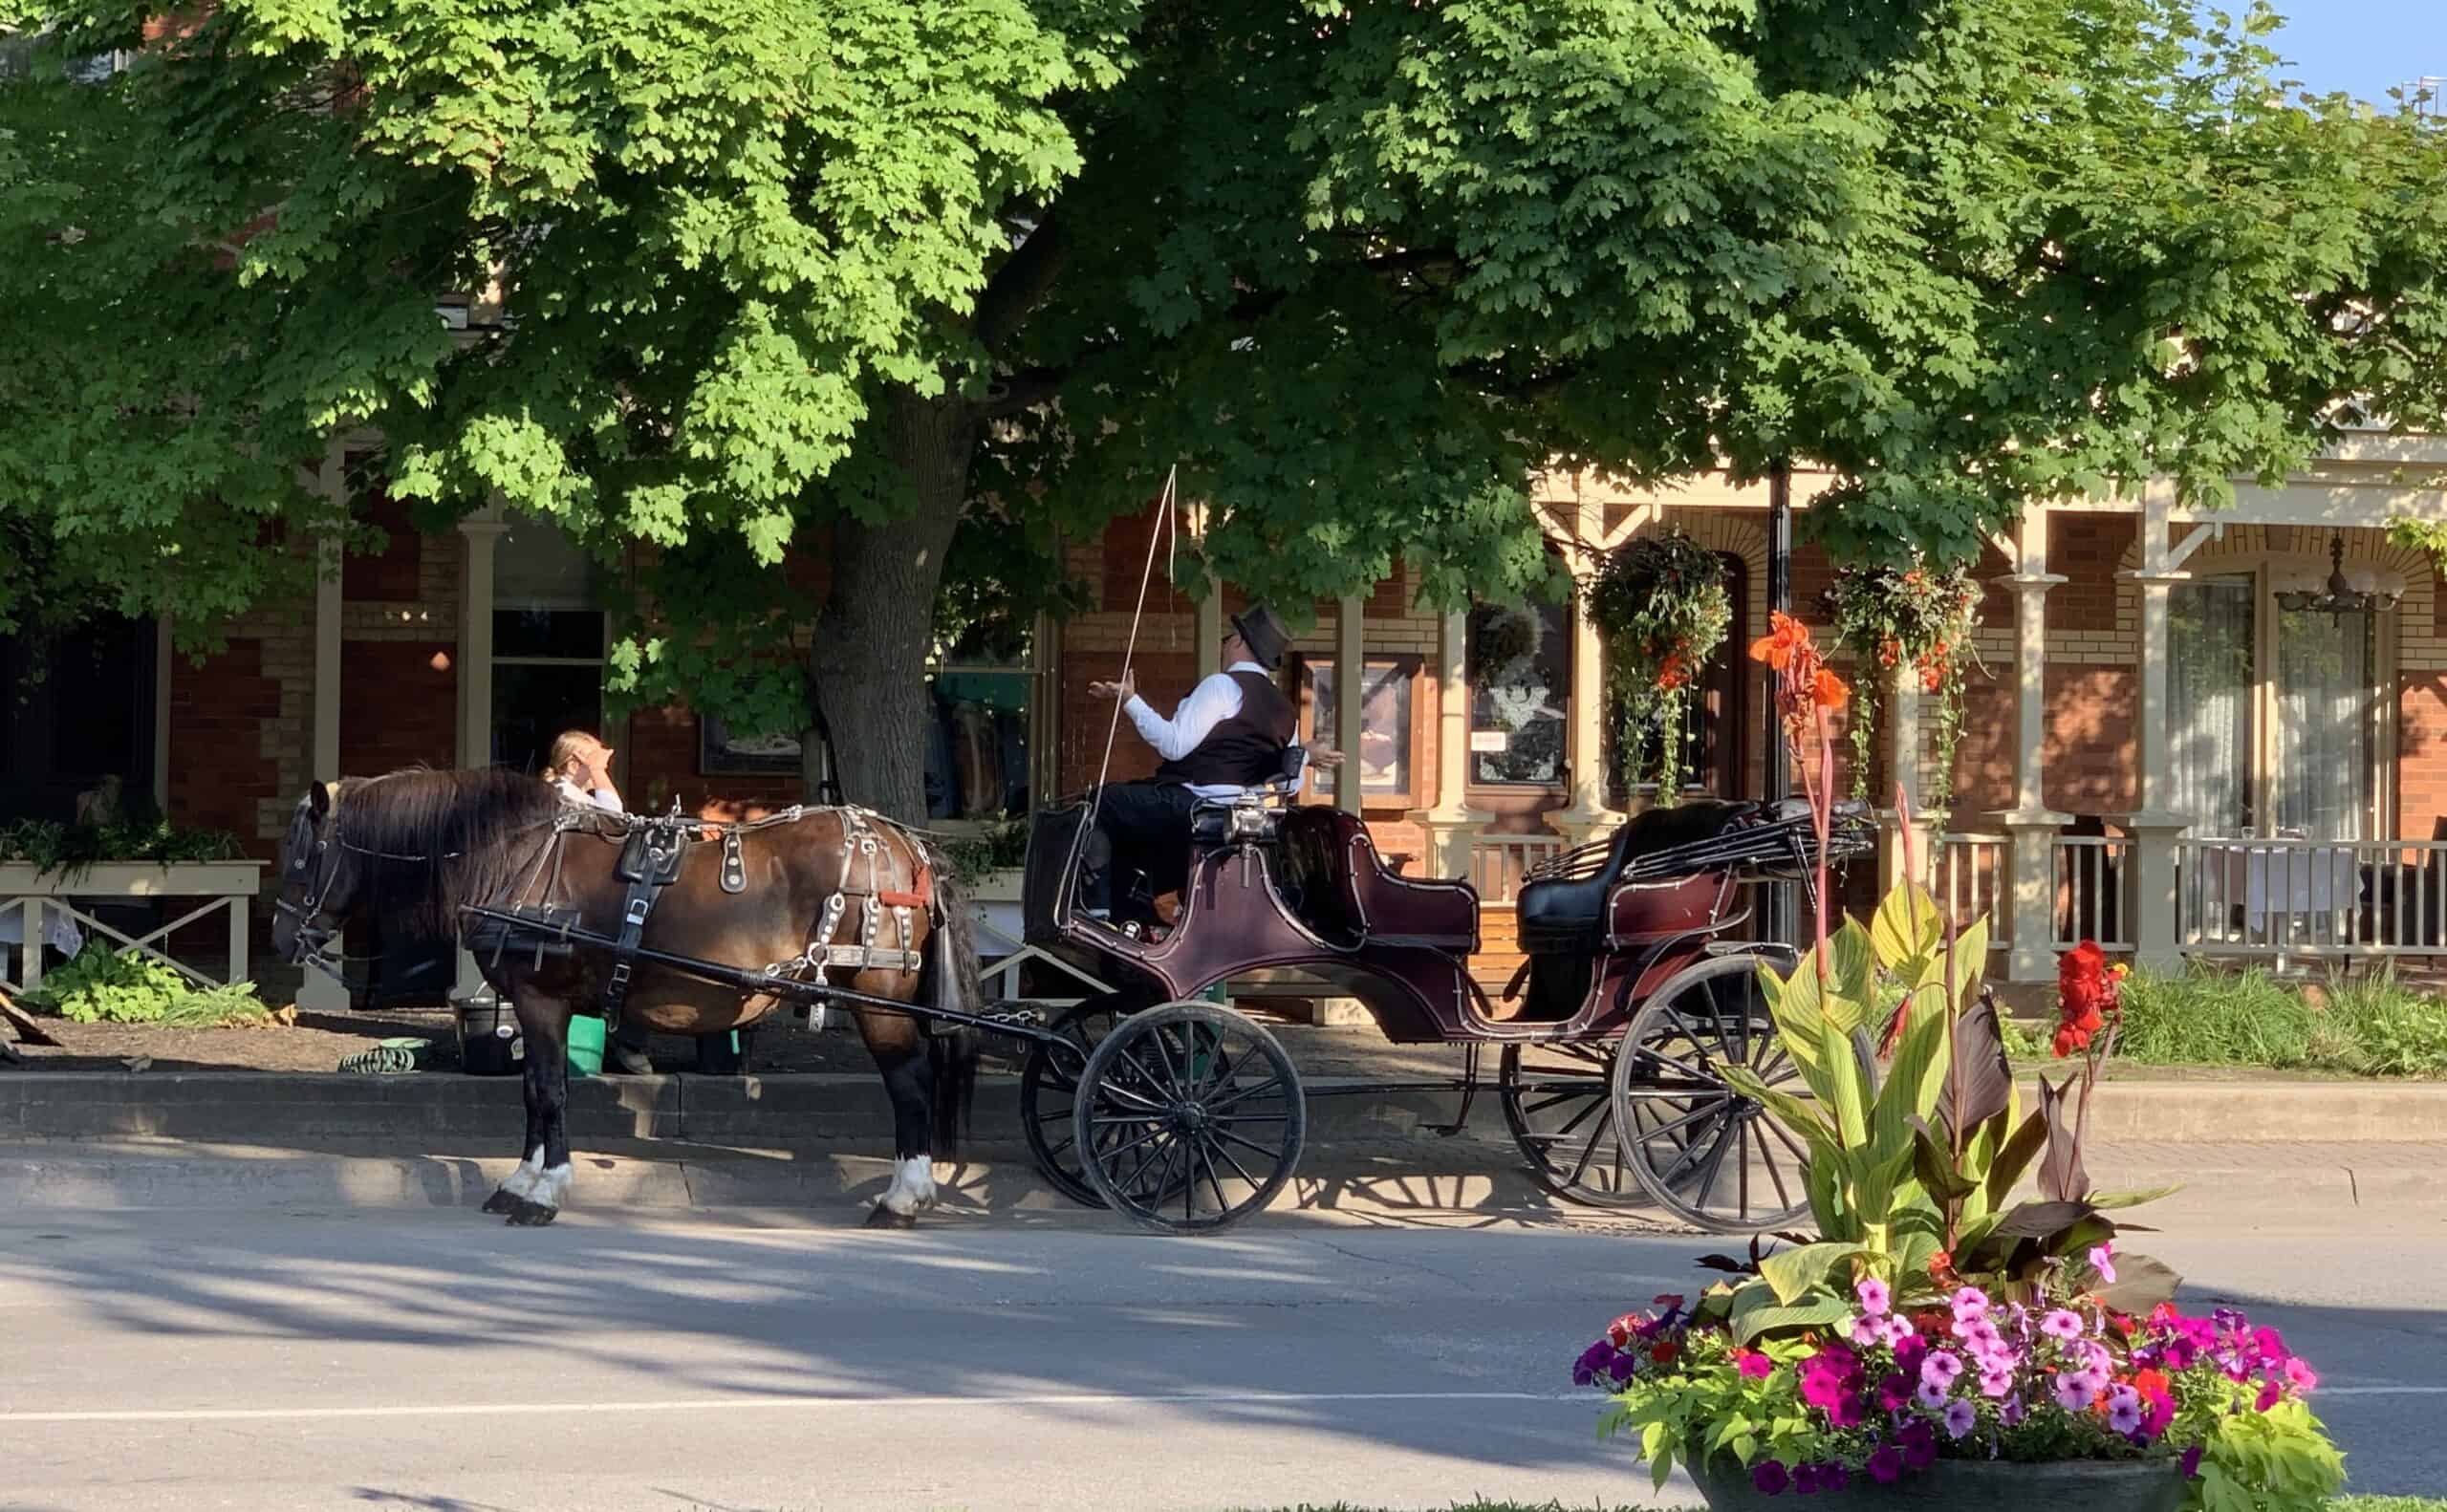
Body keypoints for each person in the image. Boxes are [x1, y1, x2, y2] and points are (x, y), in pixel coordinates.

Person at [1082, 603, 1340, 927]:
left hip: (1195, 806)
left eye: (1227, 638)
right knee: (1135, 810)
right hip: (1239, 818)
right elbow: (1291, 784)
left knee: (1101, 803)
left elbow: (1173, 744)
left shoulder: (1222, 686)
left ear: (1238, 643)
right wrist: (1302, 756)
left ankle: (1097, 914)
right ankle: (1143, 911)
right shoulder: (1284, 708)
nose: (1223, 645)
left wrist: (1131, 700)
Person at [541, 730, 624, 814]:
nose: (604, 767)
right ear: (573, 766)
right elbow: (613, 817)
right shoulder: (564, 795)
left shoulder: (576, 795)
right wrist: (597, 769)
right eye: (594, 761)